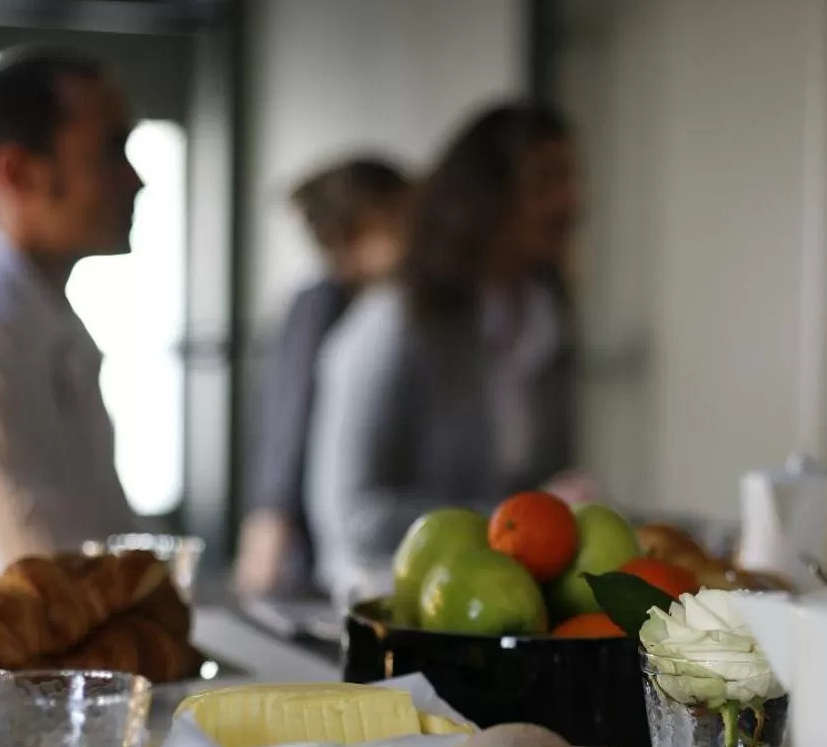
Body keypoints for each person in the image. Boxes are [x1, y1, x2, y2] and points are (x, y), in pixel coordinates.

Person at [305, 101, 587, 594]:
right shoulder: (394, 324)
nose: (574, 201)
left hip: (493, 600)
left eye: (571, 179)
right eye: (546, 181)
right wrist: (513, 522)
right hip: (389, 606)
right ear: (486, 196)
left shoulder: (545, 317)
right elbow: (352, 515)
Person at [0, 48, 143, 578]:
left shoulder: (48, 324)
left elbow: (105, 537)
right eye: (113, 151)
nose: (136, 179)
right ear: (18, 173)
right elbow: (38, 575)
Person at [233, 157, 411, 597]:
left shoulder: (399, 308)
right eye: (398, 220)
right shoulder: (319, 308)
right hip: (311, 546)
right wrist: (268, 525)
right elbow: (286, 423)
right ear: (350, 237)